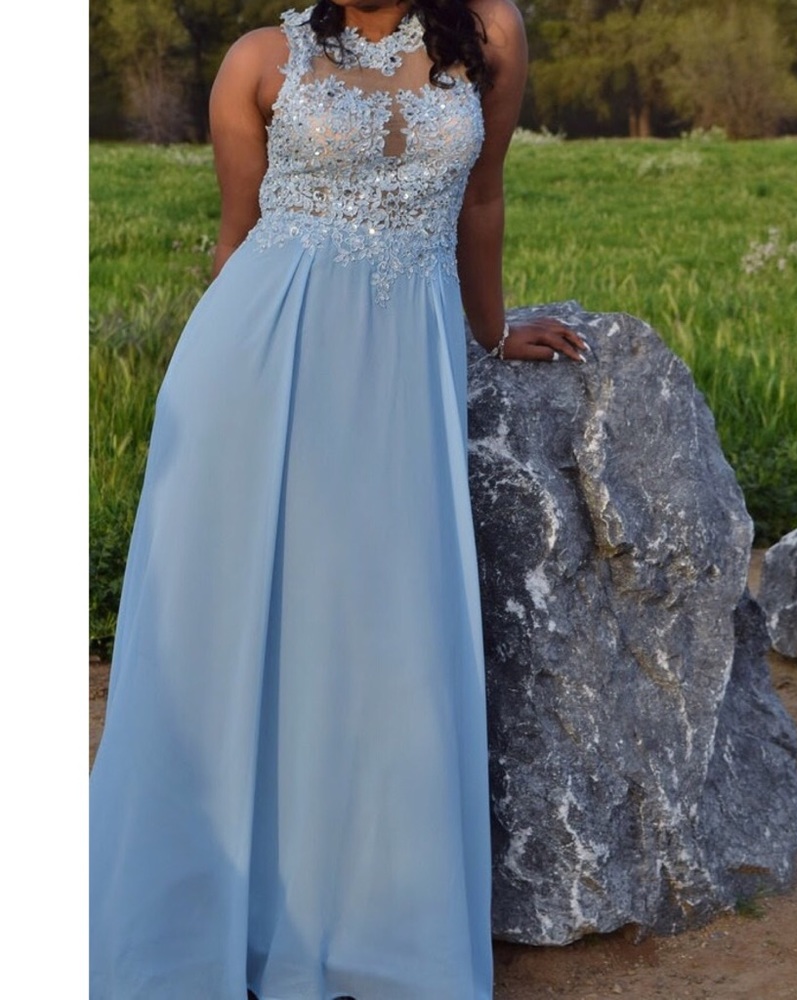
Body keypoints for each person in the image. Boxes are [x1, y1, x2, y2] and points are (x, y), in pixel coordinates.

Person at [88, 1, 589, 997]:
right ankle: (213, 923)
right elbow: (241, 239)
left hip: (402, 375)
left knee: (381, 632)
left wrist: (489, 331)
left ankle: (374, 924)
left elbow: (480, 197)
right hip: (258, 375)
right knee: (240, 628)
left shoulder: (490, 31)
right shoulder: (257, 59)